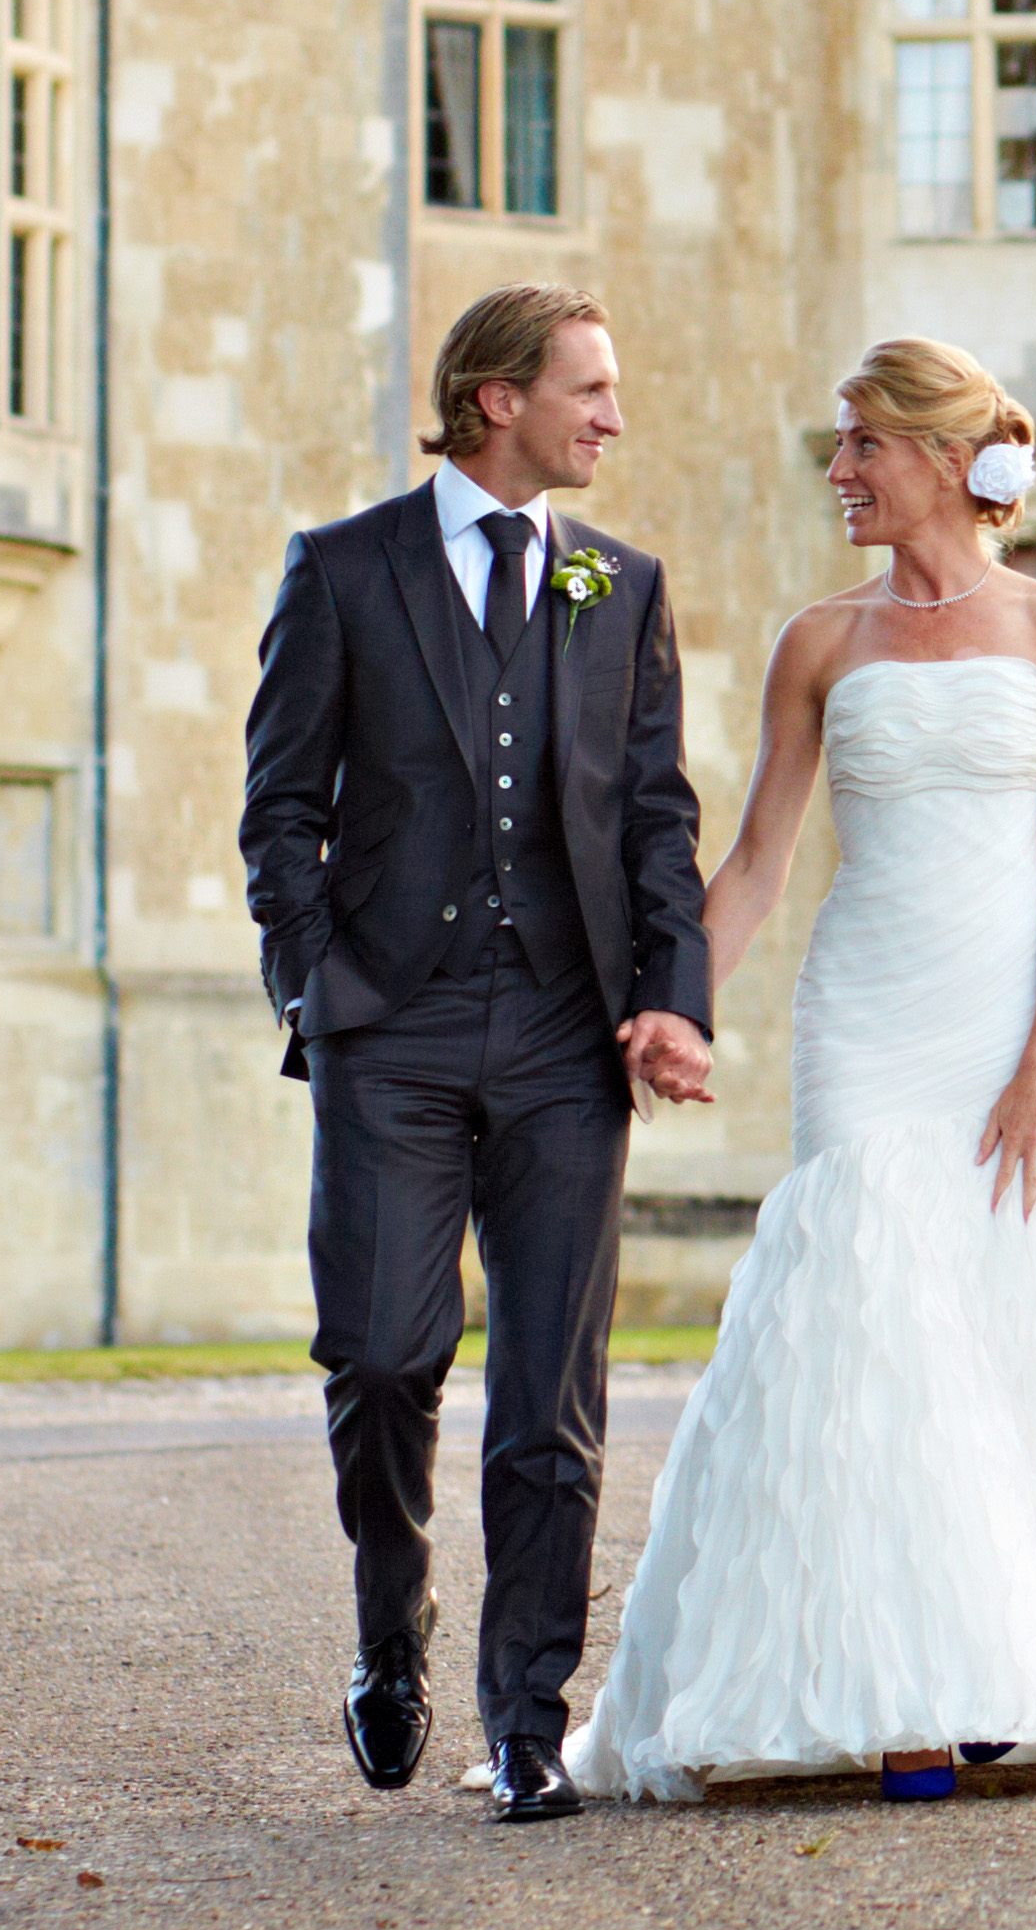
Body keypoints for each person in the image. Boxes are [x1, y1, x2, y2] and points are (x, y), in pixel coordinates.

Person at [567, 337, 1036, 1801]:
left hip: (1003, 1012)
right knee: (864, 1304)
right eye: (838, 448)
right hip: (866, 1012)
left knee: (1006, 1302)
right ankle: (884, 1693)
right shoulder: (820, 641)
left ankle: (1011, 1679)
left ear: (931, 453)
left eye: (859, 445)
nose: (838, 472)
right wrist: (679, 1009)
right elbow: (763, 858)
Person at [238, 285, 714, 1828]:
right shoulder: (345, 570)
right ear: (496, 397)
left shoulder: (620, 589)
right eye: (590, 387)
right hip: (396, 1032)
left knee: (551, 1404)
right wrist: (318, 989)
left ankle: (526, 1721)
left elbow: (657, 820)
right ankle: (394, 1627)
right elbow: (278, 811)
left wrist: (674, 996)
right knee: (381, 1359)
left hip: (568, 1041)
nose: (613, 417)